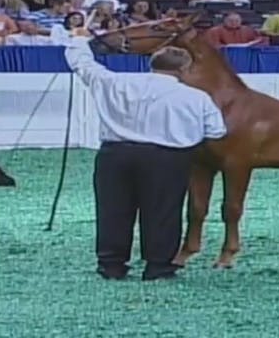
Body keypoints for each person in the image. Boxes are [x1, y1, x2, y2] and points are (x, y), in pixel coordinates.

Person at [52, 25, 228, 281]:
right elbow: (216, 131)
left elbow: (82, 64)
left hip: (116, 153)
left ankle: (111, 265)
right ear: (184, 69)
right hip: (167, 157)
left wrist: (79, 41)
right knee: (164, 211)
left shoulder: (115, 82)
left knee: (113, 210)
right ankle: (158, 266)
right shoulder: (196, 97)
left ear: (152, 64)